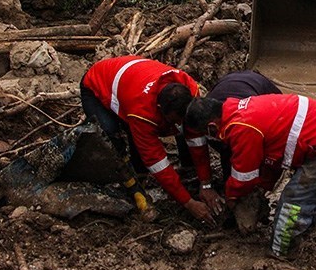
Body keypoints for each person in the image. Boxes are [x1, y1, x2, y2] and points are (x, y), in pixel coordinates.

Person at [185, 93, 316, 257]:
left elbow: (244, 177)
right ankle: (306, 223)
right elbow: (271, 156)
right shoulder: (237, 110)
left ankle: (282, 251)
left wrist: (231, 197)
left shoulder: (241, 127)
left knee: (293, 201)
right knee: (306, 194)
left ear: (212, 127)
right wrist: (265, 186)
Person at [79, 55, 219, 224]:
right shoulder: (142, 113)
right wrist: (188, 203)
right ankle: (133, 184)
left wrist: (206, 183)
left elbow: (196, 138)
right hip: (97, 84)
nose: (179, 125)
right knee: (110, 135)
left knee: (190, 127)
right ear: (160, 109)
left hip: (132, 78)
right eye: (174, 120)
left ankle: (189, 174)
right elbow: (157, 162)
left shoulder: (189, 87)